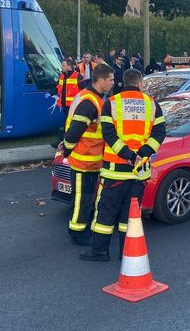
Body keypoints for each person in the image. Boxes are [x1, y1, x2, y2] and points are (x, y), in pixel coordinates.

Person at [80, 69, 166, 261]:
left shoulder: (111, 103)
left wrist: (127, 155)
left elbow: (109, 135)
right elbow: (159, 133)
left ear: (123, 82)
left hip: (114, 172)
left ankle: (100, 251)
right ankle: (126, 252)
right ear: (140, 83)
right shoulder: (152, 104)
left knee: (105, 214)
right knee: (130, 216)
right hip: (138, 174)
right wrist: (141, 154)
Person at [63, 64, 115, 245]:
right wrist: (67, 151)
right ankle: (77, 234)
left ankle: (81, 229)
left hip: (91, 161)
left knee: (85, 199)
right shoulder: (90, 102)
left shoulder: (93, 98)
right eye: (110, 80)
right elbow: (74, 131)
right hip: (83, 160)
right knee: (81, 200)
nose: (113, 83)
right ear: (100, 80)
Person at [50, 59, 85, 148]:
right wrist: (51, 92)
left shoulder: (78, 76)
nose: (62, 67)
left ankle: (64, 142)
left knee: (70, 125)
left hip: (74, 107)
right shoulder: (62, 76)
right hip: (65, 106)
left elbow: (84, 91)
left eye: (63, 65)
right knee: (67, 124)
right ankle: (64, 141)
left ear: (69, 66)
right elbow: (59, 87)